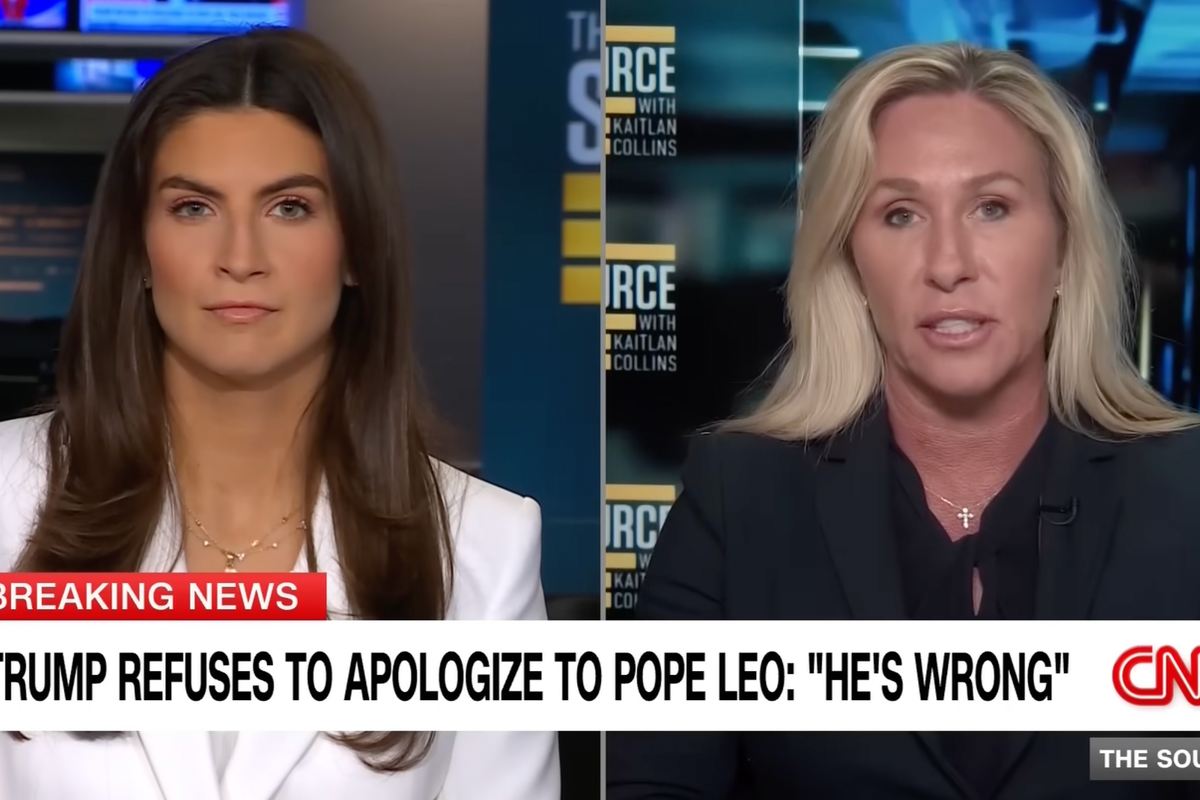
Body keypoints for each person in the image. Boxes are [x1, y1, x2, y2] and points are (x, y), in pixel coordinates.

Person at [607, 41, 1200, 799]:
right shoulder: (740, 499)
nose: (948, 263)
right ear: (851, 264)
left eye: (992, 208)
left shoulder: (1185, 491)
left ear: (1063, 250)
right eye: (900, 214)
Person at [0, 28, 559, 800]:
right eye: (193, 207)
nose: (240, 256)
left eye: (290, 207)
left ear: (356, 246)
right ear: (138, 248)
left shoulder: (481, 545)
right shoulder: (8, 496)